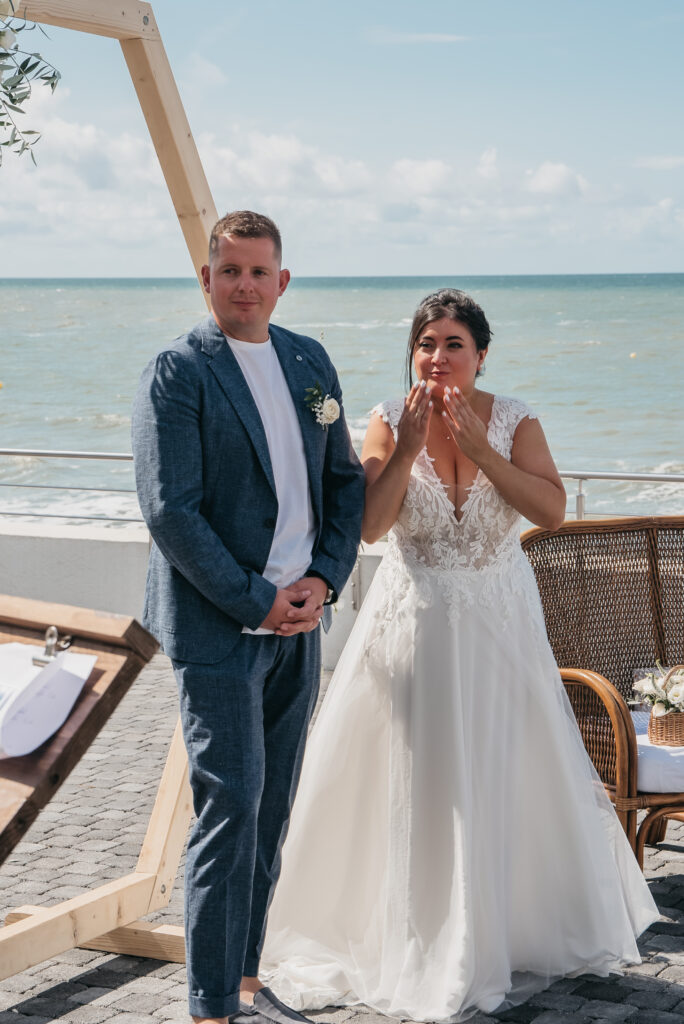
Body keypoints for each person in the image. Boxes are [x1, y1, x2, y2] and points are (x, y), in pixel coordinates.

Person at [260, 288, 659, 1022]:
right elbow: (372, 531)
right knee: (415, 772)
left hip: (499, 621)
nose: (438, 357)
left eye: (453, 345)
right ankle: (413, 933)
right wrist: (409, 446)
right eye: (426, 344)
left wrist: (480, 451)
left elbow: (549, 511)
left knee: (506, 762)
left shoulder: (516, 419)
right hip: (413, 621)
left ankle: (503, 928)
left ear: (480, 355)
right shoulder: (385, 420)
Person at [131, 211, 365, 1024]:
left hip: (301, 625)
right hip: (220, 630)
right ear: (207, 280)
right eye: (229, 271)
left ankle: (245, 977)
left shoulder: (309, 360)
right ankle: (208, 1005)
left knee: (271, 810)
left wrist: (324, 582)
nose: (244, 286)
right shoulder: (177, 371)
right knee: (230, 809)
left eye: (259, 272)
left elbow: (344, 486)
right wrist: (257, 598)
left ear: (282, 281)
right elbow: (171, 511)